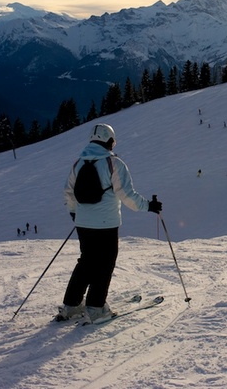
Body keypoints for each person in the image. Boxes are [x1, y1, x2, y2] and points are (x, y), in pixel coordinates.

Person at [56, 123, 162, 323]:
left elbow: (68, 192)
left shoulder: (78, 163)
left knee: (86, 261)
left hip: (83, 223)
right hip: (106, 224)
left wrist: (74, 213)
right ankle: (95, 308)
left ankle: (71, 305)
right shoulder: (114, 164)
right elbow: (126, 195)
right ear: (109, 141)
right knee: (104, 263)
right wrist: (149, 206)